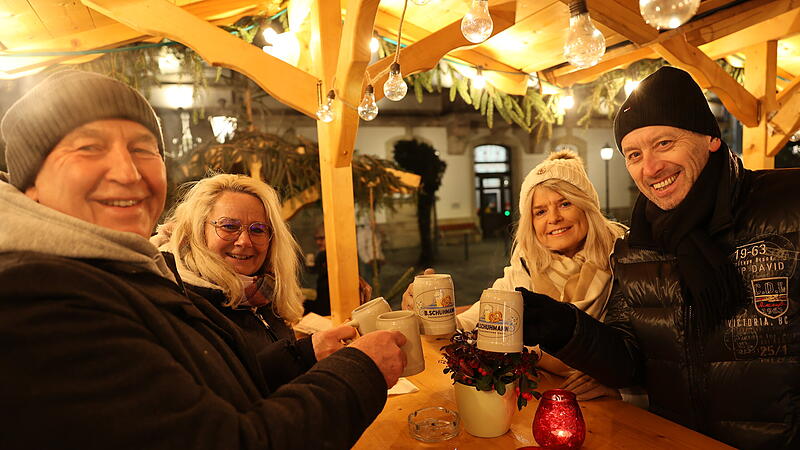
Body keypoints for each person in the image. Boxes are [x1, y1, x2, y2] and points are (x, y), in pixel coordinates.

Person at [0, 70, 407, 449]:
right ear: (30, 181)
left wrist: (306, 353)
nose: (128, 173)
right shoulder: (36, 299)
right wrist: (361, 370)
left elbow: (213, 388)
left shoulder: (127, 272)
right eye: (89, 148)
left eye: (142, 149)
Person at [519, 66, 800, 449]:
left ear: (710, 138)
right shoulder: (637, 247)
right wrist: (564, 327)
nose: (650, 168)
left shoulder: (787, 205)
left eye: (665, 143)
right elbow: (630, 359)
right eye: (634, 154)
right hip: (673, 440)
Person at [404, 151, 627, 400]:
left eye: (565, 203)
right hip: (546, 393)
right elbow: (477, 322)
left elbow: (646, 353)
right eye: (540, 212)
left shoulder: (624, 258)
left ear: (587, 206)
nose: (554, 218)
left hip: (615, 408)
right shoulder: (527, 264)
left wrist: (620, 388)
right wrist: (432, 317)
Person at [153, 174, 357, 391]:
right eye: (229, 226)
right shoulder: (180, 301)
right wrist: (304, 354)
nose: (244, 241)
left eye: (258, 229)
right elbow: (220, 390)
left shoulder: (262, 294)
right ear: (198, 231)